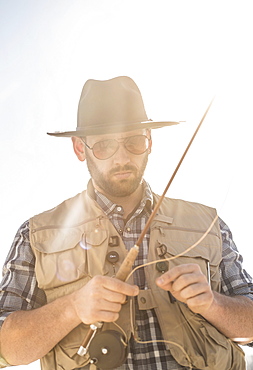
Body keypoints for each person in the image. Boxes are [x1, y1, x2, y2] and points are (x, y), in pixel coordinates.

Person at [0, 76, 253, 370]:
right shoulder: (34, 234)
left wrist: (214, 305)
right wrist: (71, 308)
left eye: (133, 141)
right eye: (104, 145)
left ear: (149, 142)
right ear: (80, 149)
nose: (122, 158)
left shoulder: (209, 224)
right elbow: (6, 350)